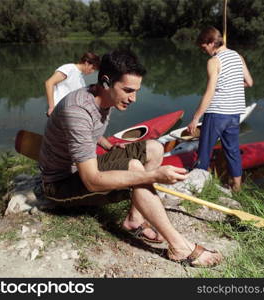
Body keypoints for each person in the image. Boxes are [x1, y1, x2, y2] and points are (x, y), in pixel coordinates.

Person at [39, 49, 223, 267]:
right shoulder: (78, 111)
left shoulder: (101, 98)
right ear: (106, 82)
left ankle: (134, 219)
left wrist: (112, 148)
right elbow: (91, 180)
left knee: (154, 148)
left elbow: (93, 132)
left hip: (80, 169)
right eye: (127, 90)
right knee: (135, 168)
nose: (133, 98)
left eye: (136, 91)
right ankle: (180, 247)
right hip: (60, 184)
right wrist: (154, 175)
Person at [187, 27, 253, 192]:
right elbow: (249, 82)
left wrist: (195, 118)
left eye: (204, 47)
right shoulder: (238, 57)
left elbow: (210, 92)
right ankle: (237, 188)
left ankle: (200, 187)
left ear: (211, 42)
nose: (204, 51)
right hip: (235, 113)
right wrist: (231, 86)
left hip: (217, 113)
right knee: (232, 151)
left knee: (204, 150)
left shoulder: (214, 61)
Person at [45, 51, 100, 116]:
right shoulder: (69, 68)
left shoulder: (82, 80)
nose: (92, 71)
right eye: (93, 68)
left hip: (69, 114)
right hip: (58, 111)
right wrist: (51, 107)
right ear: (86, 63)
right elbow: (49, 83)